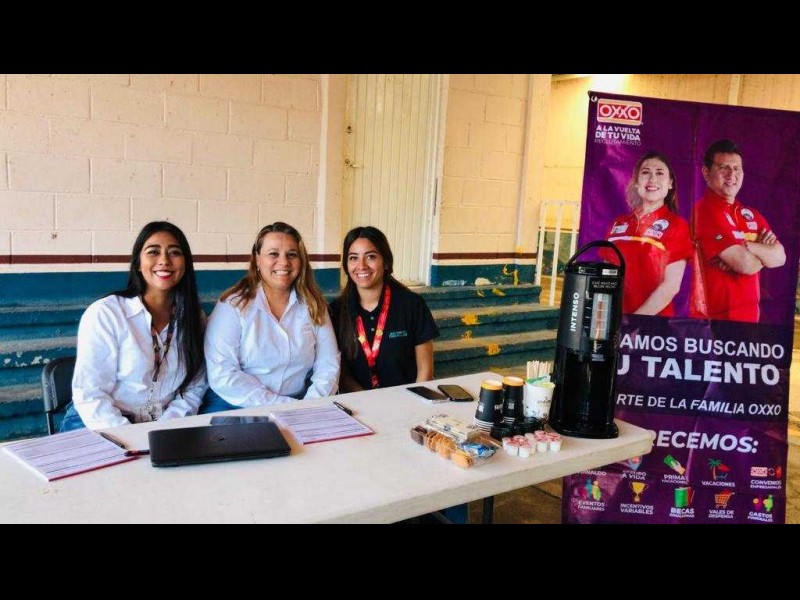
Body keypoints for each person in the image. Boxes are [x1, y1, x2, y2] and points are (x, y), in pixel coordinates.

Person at [64, 221, 207, 431]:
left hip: (165, 424)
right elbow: (91, 394)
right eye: (153, 252)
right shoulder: (107, 313)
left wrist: (165, 429)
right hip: (98, 422)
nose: (164, 260)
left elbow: (194, 387)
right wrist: (133, 438)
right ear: (138, 264)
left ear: (185, 264)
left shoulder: (195, 318)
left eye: (175, 253)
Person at [202, 222, 339, 410]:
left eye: (292, 254)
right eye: (273, 254)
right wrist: (286, 407)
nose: (284, 262)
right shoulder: (232, 306)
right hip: (237, 404)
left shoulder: (314, 305)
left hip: (302, 403)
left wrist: (311, 406)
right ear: (257, 259)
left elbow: (328, 365)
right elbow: (223, 374)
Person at [329, 226, 439, 392]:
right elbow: (342, 374)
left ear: (386, 262)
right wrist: (369, 401)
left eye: (371, 256)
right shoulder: (336, 311)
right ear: (346, 264)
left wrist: (411, 403)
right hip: (359, 402)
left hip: (407, 401)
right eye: (353, 258)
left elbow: (425, 372)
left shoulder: (412, 305)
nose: (361, 265)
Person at [690, 139, 786, 322]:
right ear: (705, 172)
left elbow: (780, 257)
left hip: (750, 321)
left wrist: (747, 246)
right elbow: (745, 264)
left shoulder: (751, 214)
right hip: (714, 323)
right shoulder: (703, 212)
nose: (731, 175)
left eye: (737, 169)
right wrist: (762, 253)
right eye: (723, 168)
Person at [605, 151, 693, 316]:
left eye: (660, 173)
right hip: (613, 320)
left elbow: (671, 286)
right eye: (646, 172)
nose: (652, 179)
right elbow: (606, 278)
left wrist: (634, 321)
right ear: (636, 182)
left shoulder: (677, 226)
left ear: (670, 183)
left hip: (651, 325)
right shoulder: (619, 223)